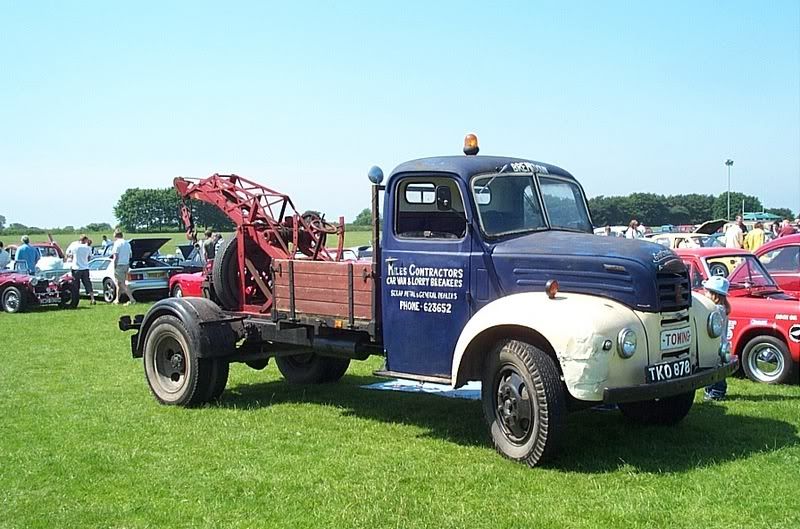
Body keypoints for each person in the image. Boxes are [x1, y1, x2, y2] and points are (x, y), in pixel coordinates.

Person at [702, 276, 732, 401]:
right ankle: (712, 390)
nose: (704, 293)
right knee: (715, 366)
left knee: (716, 369)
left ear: (714, 295)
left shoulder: (717, 309)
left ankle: (716, 392)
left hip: (717, 343)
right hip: (720, 342)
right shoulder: (723, 308)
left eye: (707, 291)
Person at [65, 235, 95, 305]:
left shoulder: (75, 247)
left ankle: (76, 299)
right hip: (85, 268)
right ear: (85, 240)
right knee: (88, 283)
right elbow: (89, 258)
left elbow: (70, 255)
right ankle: (92, 298)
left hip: (76, 268)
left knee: (75, 286)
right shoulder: (88, 247)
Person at [110, 229, 134, 305]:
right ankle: (117, 299)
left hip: (119, 265)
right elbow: (130, 255)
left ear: (115, 235)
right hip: (126, 264)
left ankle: (132, 299)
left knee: (122, 283)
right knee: (119, 284)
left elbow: (115, 256)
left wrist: (114, 266)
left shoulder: (117, 244)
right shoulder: (127, 243)